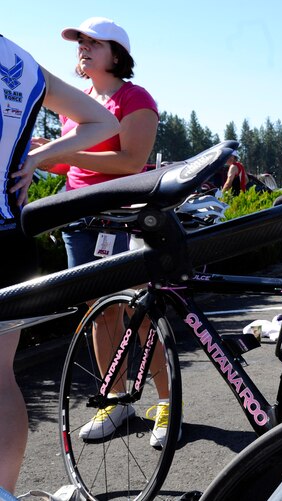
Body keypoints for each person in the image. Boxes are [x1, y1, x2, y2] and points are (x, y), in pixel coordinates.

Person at [37, 17, 172, 449]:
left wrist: (66, 152)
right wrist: (40, 156)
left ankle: (168, 405)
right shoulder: (78, 101)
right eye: (80, 42)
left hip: (123, 217)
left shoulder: (136, 98)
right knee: (99, 309)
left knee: (140, 310)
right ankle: (116, 400)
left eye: (95, 42)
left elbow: (132, 163)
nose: (83, 48)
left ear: (118, 55)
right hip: (80, 217)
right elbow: (71, 163)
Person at [0, 34, 119, 494]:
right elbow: (101, 120)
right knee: (1, 379)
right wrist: (35, 158)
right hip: (10, 237)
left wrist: (39, 156)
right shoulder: (21, 61)